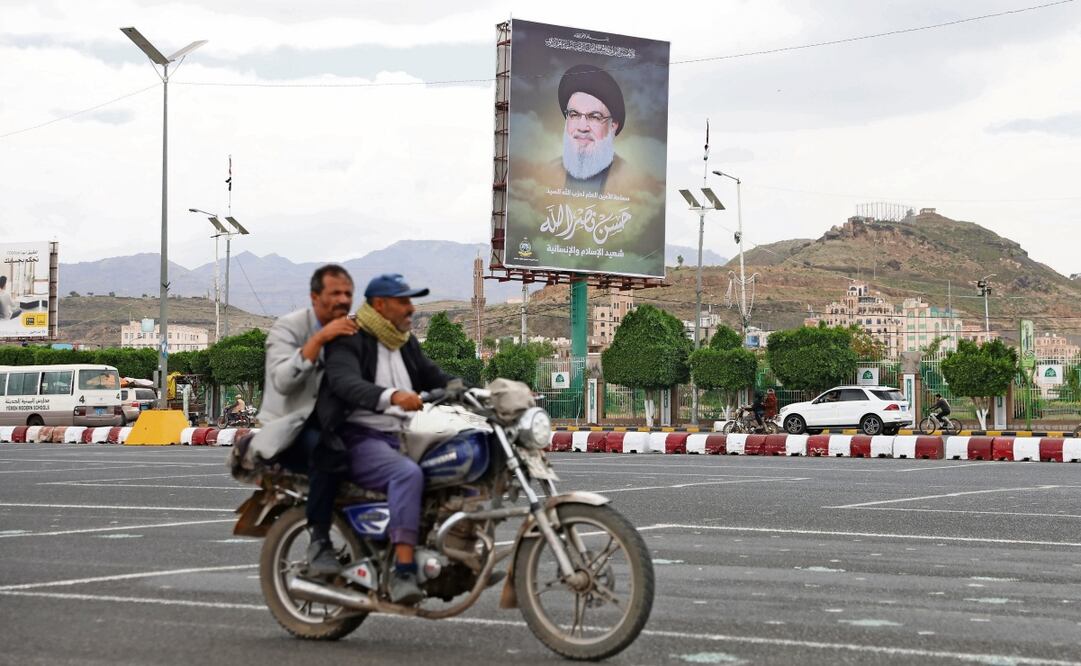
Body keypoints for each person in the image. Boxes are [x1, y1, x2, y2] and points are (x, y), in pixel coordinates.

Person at [314, 273, 451, 605]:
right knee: (406, 474)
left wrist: (478, 393)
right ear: (379, 304)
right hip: (358, 437)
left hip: (402, 435)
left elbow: (434, 376)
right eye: (403, 301)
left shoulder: (405, 343)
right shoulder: (350, 337)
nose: (411, 308)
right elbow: (345, 382)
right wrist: (393, 396)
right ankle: (403, 571)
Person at [243, 264, 358, 575]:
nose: (343, 299)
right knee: (327, 452)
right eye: (335, 293)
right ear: (315, 297)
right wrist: (319, 340)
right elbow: (282, 380)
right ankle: (319, 541)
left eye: (348, 293)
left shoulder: (351, 332)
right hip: (290, 429)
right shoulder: (288, 328)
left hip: (335, 423)